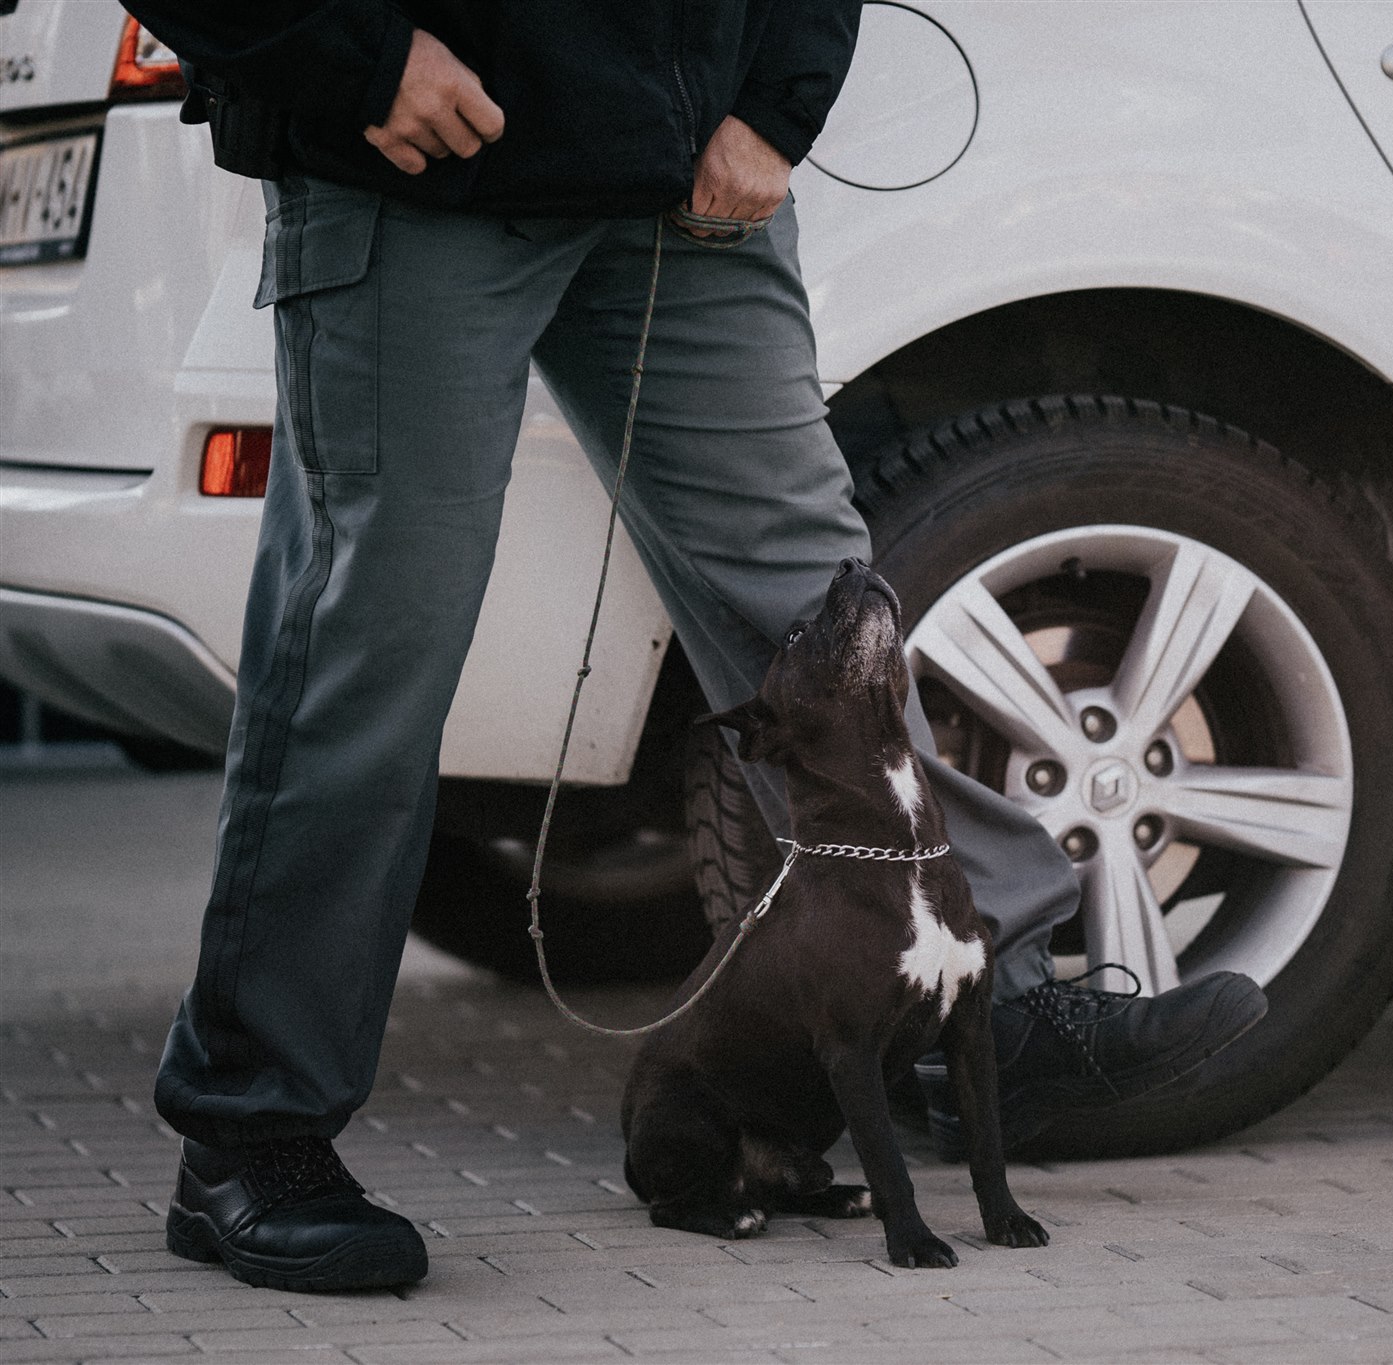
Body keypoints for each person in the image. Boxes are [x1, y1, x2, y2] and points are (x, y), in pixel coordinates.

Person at [119, 0, 1268, 1294]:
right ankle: (252, 1128)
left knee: (822, 622)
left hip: (687, 176)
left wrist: (779, 101)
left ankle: (979, 1004)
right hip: (422, 163)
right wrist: (352, 57)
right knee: (368, 651)